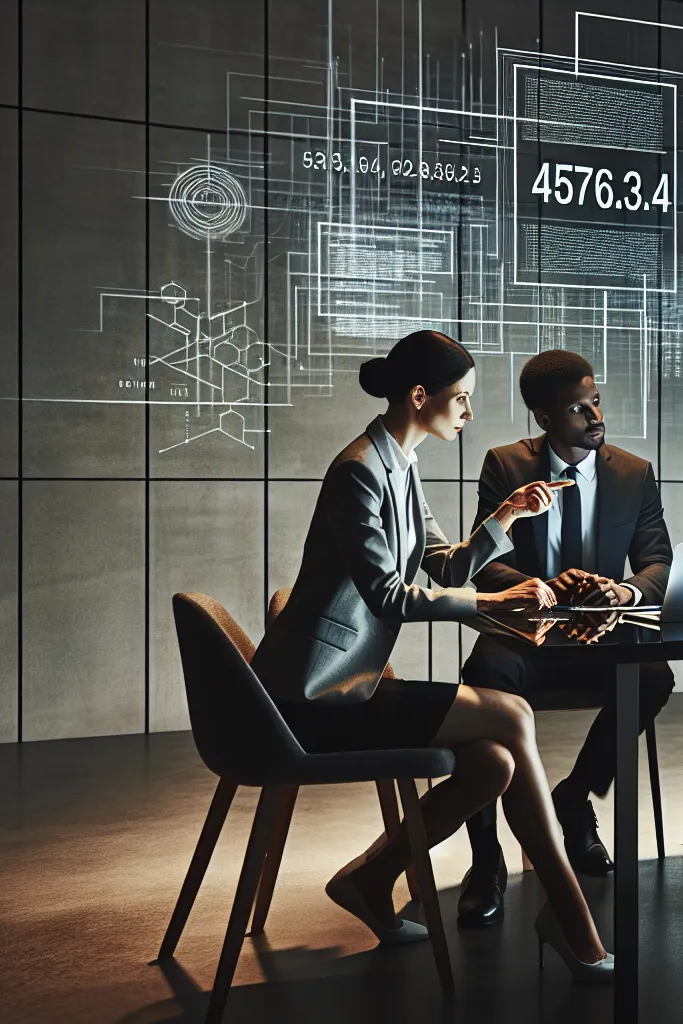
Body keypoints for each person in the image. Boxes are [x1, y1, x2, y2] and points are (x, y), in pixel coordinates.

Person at [250, 329, 612, 980]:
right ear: (421, 396)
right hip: (312, 701)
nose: (470, 413)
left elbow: (442, 564)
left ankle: (371, 878)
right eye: (462, 399)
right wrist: (494, 607)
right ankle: (566, 906)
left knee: (493, 763)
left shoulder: (399, 463)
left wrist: (505, 516)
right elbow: (390, 596)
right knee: (511, 717)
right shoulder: (359, 470)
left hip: (347, 685)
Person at [455, 349, 675, 927]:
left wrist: (623, 593)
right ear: (543, 418)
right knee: (480, 685)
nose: (594, 415)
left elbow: (658, 562)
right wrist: (541, 586)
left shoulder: (633, 472)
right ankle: (485, 858)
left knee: (654, 677)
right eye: (578, 408)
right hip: (526, 633)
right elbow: (484, 564)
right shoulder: (505, 465)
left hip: (601, 633)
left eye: (595, 400)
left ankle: (574, 800)